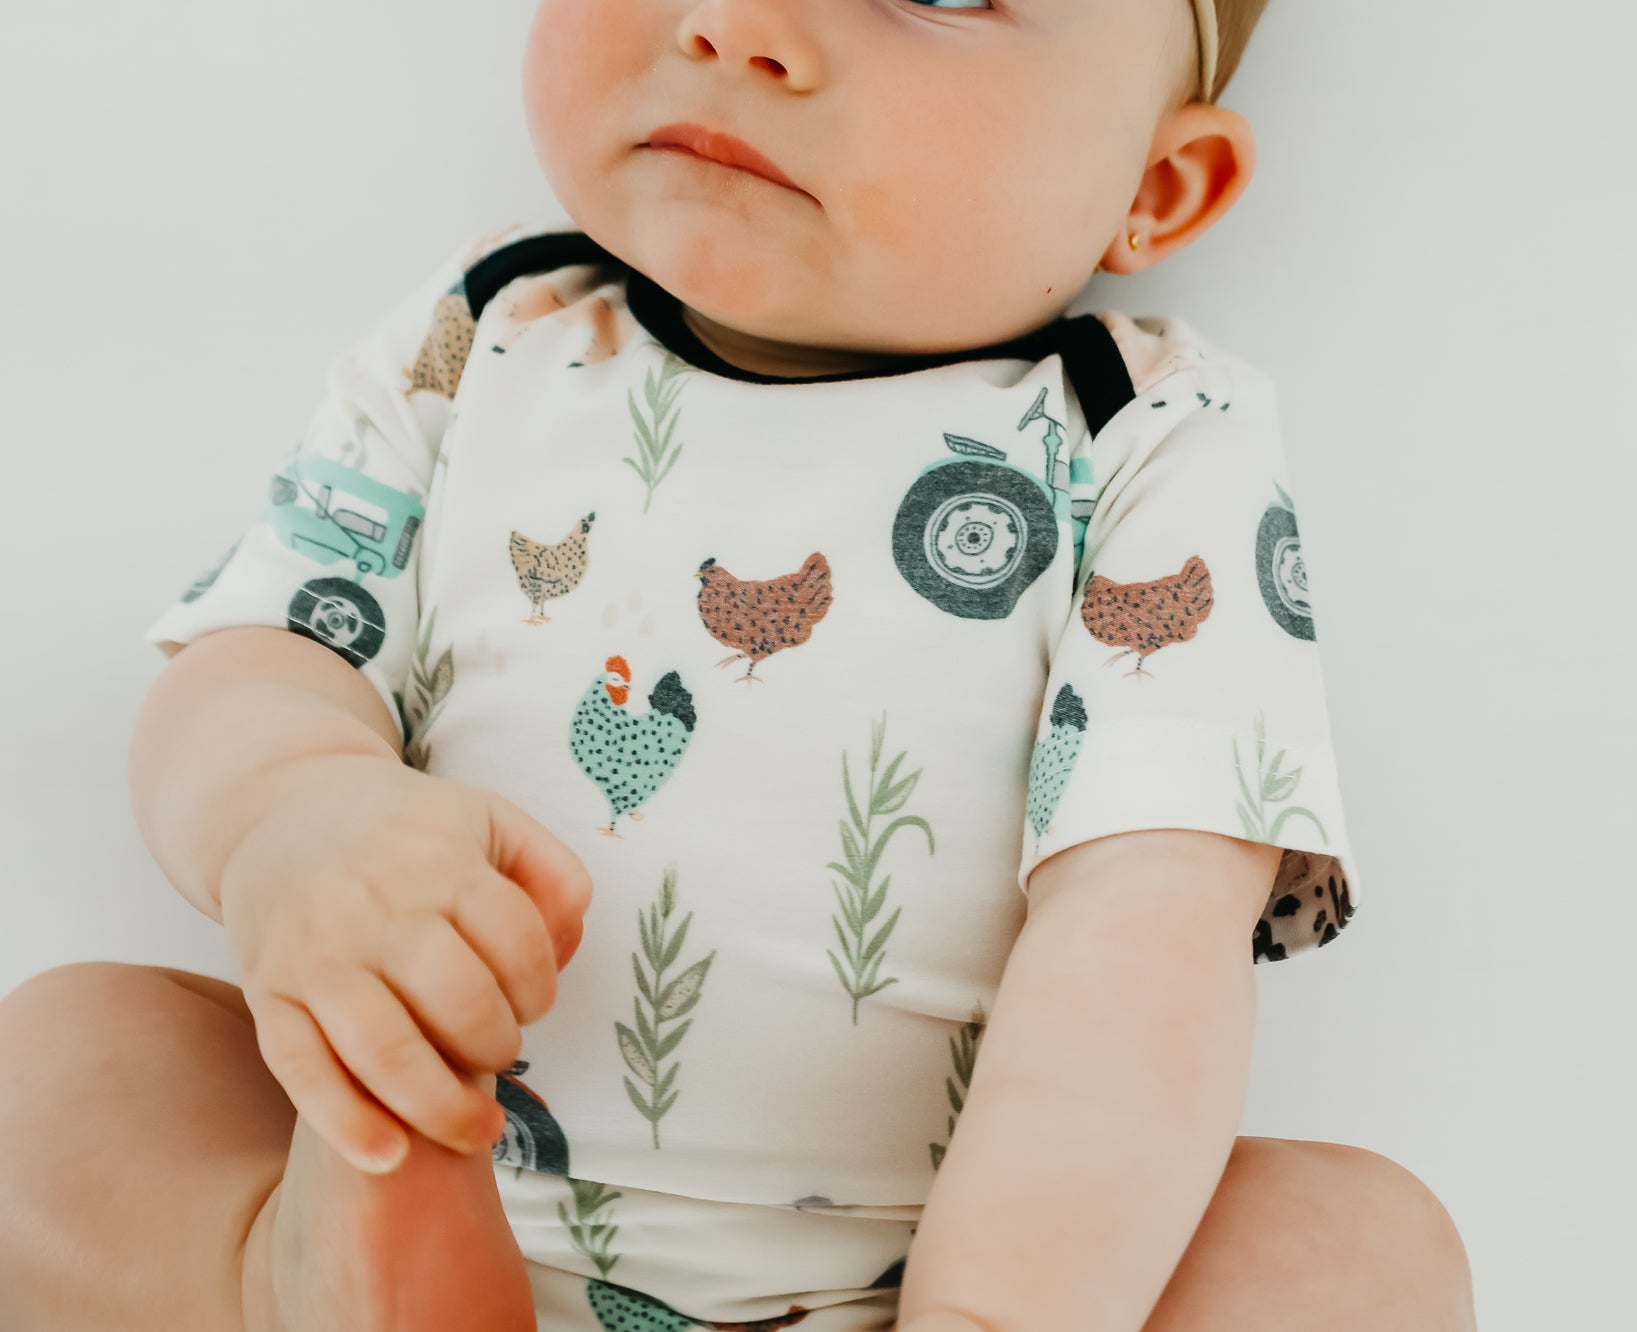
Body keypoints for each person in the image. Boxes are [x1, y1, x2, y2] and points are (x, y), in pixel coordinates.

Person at [0, 2, 1476, 1329]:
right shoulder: (488, 332)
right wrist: (289, 810)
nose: (740, 25)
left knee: (1357, 1256)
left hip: (933, 1265)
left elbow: (1152, 915)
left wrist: (1009, 1301)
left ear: (1157, 185)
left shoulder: (1143, 435)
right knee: (63, 1063)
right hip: (410, 1152)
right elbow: (260, 650)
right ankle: (295, 1273)